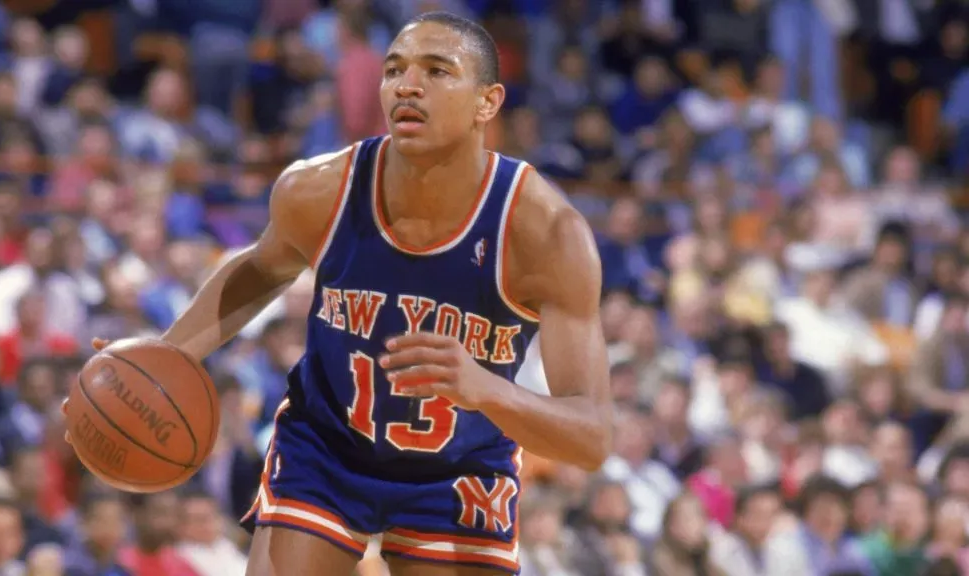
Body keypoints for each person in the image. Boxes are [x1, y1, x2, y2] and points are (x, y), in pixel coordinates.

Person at [63, 10, 612, 576]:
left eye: (437, 70)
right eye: (394, 69)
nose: (408, 85)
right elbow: (262, 269)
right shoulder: (320, 189)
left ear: (488, 103)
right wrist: (162, 358)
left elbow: (592, 436)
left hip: (460, 465)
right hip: (327, 447)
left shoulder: (546, 233)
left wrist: (485, 391)